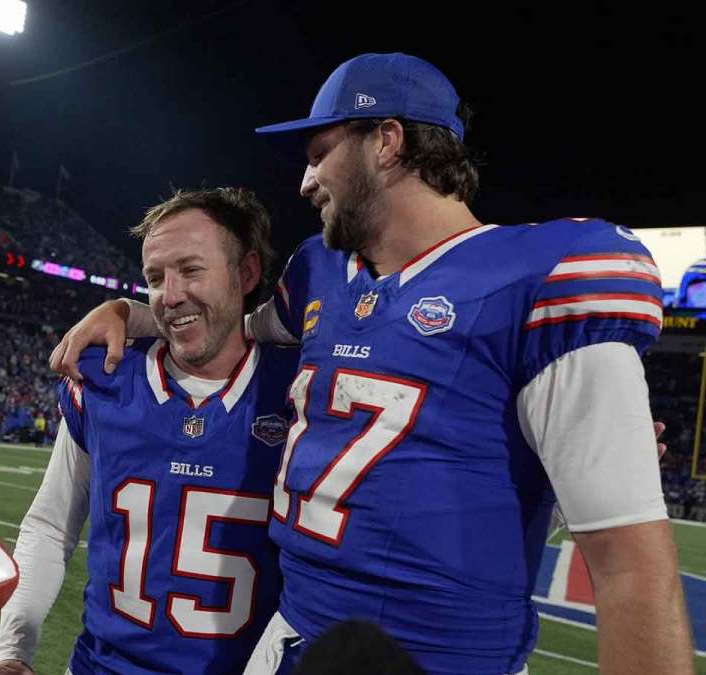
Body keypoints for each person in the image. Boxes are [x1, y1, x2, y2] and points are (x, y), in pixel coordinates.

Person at [50, 53, 694, 674]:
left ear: (387, 141)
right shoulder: (319, 273)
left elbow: (630, 564)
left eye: (319, 154)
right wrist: (129, 313)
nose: (305, 182)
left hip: (438, 659)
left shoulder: (543, 275)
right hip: (290, 643)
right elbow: (228, 327)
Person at [0, 188, 297, 674]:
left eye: (191, 270)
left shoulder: (301, 389)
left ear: (247, 273)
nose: (170, 295)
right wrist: (13, 650)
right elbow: (50, 525)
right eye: (155, 277)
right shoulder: (104, 377)